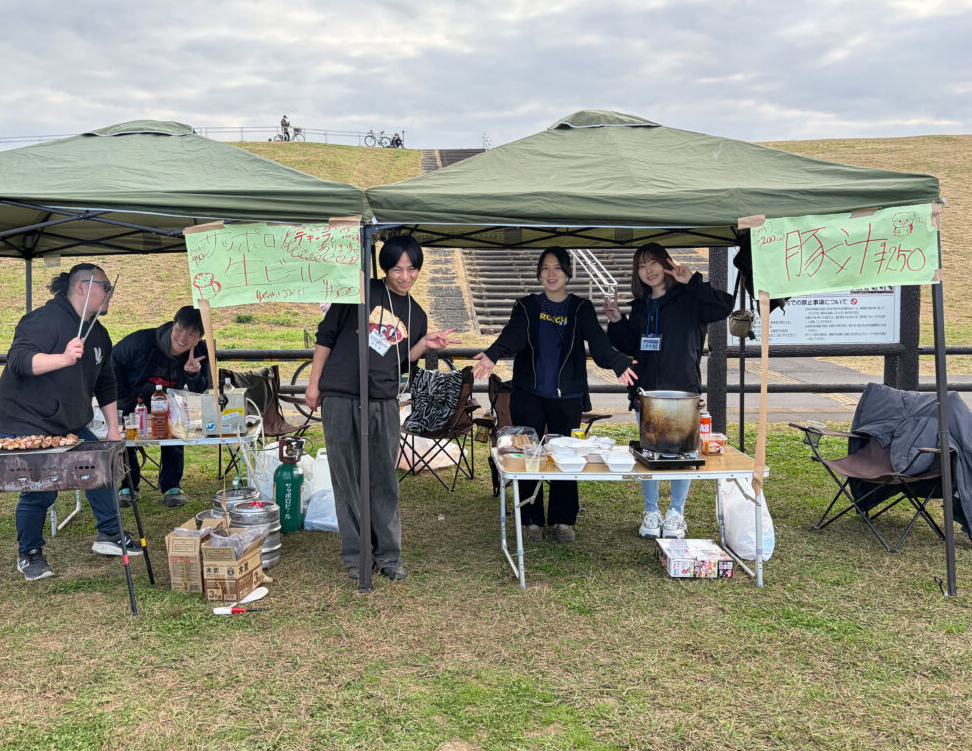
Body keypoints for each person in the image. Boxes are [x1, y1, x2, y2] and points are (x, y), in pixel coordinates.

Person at [304, 234, 455, 582]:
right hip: (340, 394)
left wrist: (422, 345)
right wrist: (314, 383)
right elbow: (325, 337)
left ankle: (388, 555)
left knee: (384, 478)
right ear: (385, 268)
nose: (405, 276)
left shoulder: (416, 314)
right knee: (347, 477)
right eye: (398, 268)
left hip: (383, 401)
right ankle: (356, 555)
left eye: (412, 269)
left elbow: (399, 360)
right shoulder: (358, 293)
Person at [473, 247, 637, 544]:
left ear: (568, 273)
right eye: (545, 268)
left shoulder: (580, 308)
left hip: (567, 396)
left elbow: (599, 346)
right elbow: (512, 335)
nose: (551, 274)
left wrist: (618, 363)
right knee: (529, 455)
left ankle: (564, 519)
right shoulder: (526, 305)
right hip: (529, 393)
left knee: (566, 456)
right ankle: (530, 520)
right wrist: (492, 354)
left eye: (557, 268)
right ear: (539, 273)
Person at [0, 263, 141, 581]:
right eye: (106, 287)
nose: (110, 294)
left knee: (99, 466)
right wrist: (62, 357)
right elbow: (18, 361)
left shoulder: (99, 333)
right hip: (24, 418)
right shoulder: (44, 320)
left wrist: (114, 429)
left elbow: (106, 384)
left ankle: (110, 534)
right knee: (41, 488)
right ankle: (29, 552)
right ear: (82, 287)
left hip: (67, 421)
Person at [604, 243, 732, 539]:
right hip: (647, 392)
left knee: (681, 454)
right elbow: (631, 344)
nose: (648, 270)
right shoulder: (640, 305)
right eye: (641, 265)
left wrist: (693, 281)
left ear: (666, 264)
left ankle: (676, 513)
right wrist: (616, 321)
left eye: (653, 263)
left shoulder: (689, 299)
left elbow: (724, 306)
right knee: (649, 453)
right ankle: (651, 511)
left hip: (682, 392)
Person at [112, 306, 209, 507]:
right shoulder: (143, 341)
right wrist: (123, 396)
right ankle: (128, 486)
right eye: (180, 329)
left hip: (169, 402)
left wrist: (193, 373)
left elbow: (200, 390)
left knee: (175, 431)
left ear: (199, 337)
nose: (183, 338)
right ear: (173, 325)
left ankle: (172, 486)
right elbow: (113, 362)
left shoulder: (200, 352)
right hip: (132, 397)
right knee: (125, 439)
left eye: (191, 334)